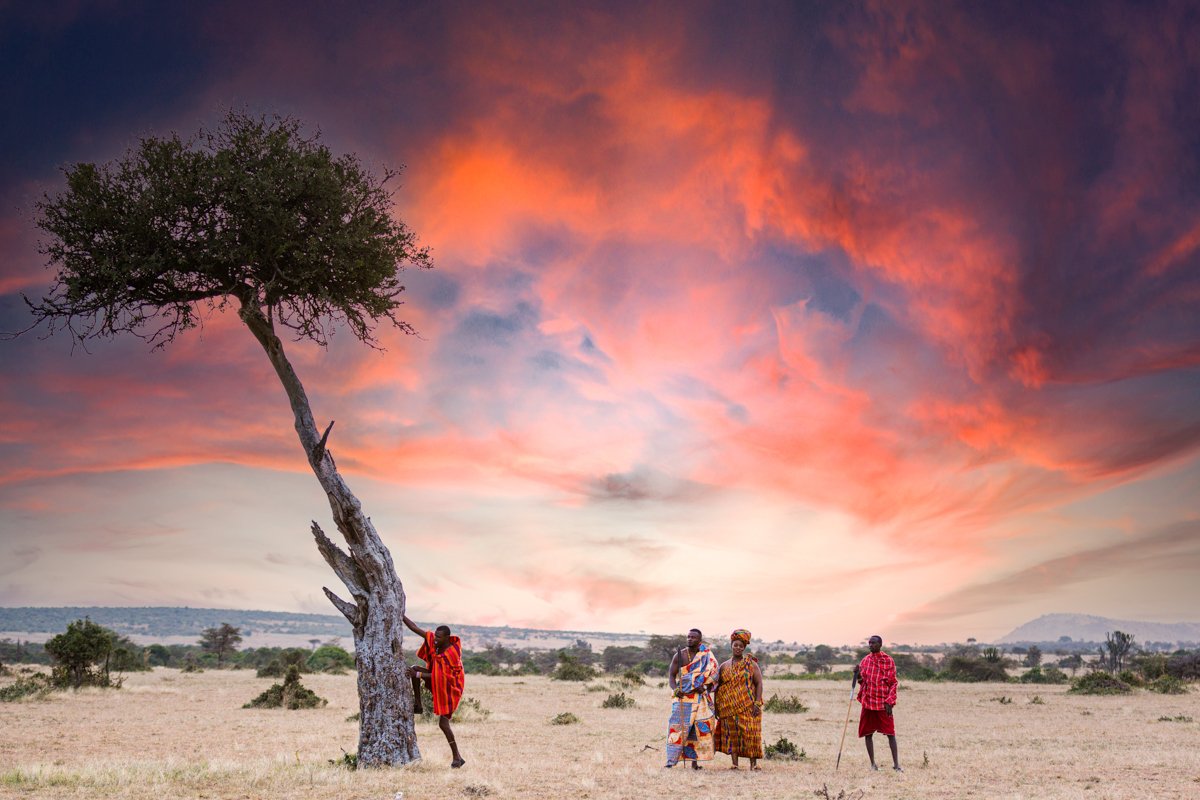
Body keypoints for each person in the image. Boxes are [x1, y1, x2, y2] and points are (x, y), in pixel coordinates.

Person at [403, 615, 466, 768]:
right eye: (435, 636)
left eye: (438, 637)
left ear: (446, 638)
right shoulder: (435, 641)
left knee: (444, 724)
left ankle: (457, 757)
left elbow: (442, 675)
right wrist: (400, 614)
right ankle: (418, 704)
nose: (435, 639)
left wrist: (417, 675)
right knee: (414, 669)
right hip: (437, 677)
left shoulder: (451, 652)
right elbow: (415, 628)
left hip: (450, 686)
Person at [665, 628, 719, 769]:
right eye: (688, 637)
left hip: (700, 698)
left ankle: (694, 764)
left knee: (697, 729)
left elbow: (713, 675)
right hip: (683, 698)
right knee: (677, 729)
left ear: (699, 640)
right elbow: (671, 676)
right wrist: (676, 690)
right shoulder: (679, 656)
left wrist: (704, 687)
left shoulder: (707, 656)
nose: (690, 639)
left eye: (693, 637)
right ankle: (670, 762)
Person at [713, 629, 764, 770]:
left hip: (749, 706)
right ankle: (734, 765)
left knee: (751, 733)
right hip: (727, 707)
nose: (738, 648)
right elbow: (717, 688)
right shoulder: (723, 666)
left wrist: (757, 703)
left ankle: (754, 764)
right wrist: (717, 708)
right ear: (731, 645)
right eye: (736, 645)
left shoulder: (751, 664)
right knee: (732, 735)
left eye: (741, 646)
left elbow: (759, 683)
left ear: (744, 648)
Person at [853, 635, 900, 772]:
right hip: (868, 702)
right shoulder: (866, 661)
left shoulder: (888, 660)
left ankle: (896, 765)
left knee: (890, 733)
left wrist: (890, 702)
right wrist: (858, 674)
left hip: (882, 702)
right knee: (868, 733)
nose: (870, 645)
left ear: (880, 644)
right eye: (869, 643)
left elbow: (893, 683)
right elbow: (862, 682)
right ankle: (873, 764)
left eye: (873, 643)